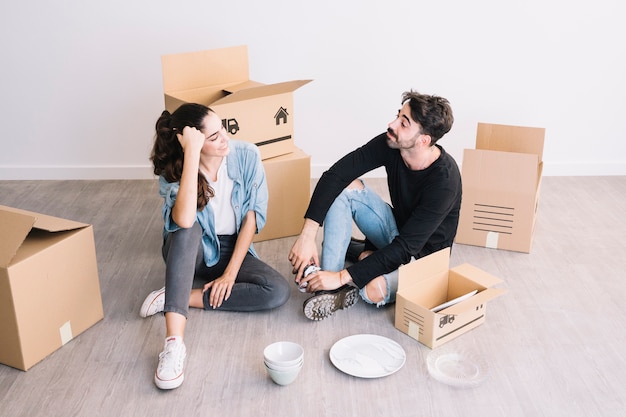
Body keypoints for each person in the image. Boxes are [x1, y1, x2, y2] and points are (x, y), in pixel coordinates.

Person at [141, 103, 290, 390]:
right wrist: (191, 155)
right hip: (190, 249)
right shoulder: (176, 169)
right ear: (193, 142)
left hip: (231, 248)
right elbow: (183, 220)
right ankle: (174, 344)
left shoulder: (246, 155)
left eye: (223, 130)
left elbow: (252, 218)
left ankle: (177, 296)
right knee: (187, 229)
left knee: (277, 291)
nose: (225, 140)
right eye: (214, 137)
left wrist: (231, 273)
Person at [288, 90, 461, 320]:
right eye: (398, 115)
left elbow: (405, 248)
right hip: (395, 232)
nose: (392, 124)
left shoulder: (444, 181)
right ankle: (327, 286)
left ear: (423, 140)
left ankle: (355, 265)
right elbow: (335, 175)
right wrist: (307, 237)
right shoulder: (392, 143)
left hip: (421, 259)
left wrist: (343, 276)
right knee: (344, 187)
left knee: (372, 291)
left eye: (403, 123)